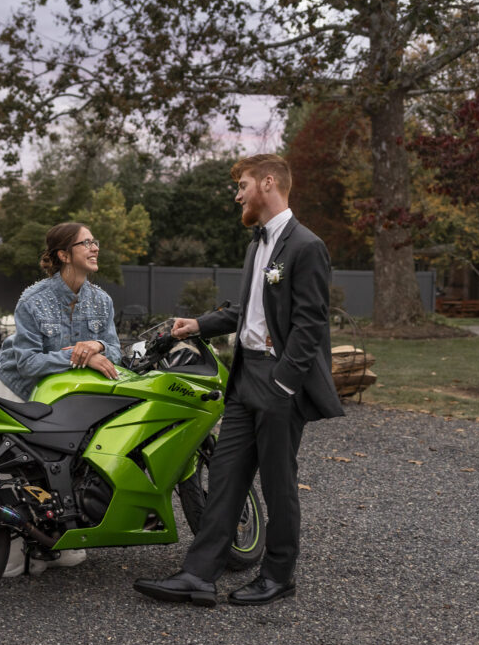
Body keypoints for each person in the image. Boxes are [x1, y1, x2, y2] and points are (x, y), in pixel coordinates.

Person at [133, 154, 344, 607]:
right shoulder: (256, 246)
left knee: (277, 483)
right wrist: (198, 324)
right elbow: (247, 310)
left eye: (243, 184)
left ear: (268, 183)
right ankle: (198, 575)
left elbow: (310, 325)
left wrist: (284, 385)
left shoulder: (307, 246)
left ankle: (279, 575)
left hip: (278, 383)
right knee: (227, 476)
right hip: (245, 376)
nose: (238, 194)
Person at [0, 221, 121, 576]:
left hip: (65, 395)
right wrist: (80, 354)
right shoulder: (33, 299)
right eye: (85, 243)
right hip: (15, 389)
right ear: (63, 254)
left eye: (95, 241)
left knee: (64, 465)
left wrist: (99, 345)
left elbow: (115, 348)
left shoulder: (101, 301)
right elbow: (27, 363)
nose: (94, 247)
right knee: (13, 473)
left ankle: (50, 543)